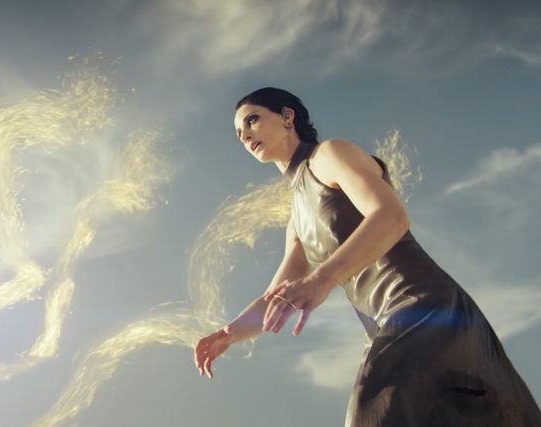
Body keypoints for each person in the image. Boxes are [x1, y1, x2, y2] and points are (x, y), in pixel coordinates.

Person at [193, 87, 541, 426]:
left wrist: (321, 279)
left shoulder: (330, 155)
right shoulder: (296, 218)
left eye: (252, 120)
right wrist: (229, 333)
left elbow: (391, 216)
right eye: (239, 133)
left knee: (371, 412)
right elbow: (276, 298)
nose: (244, 135)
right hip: (383, 328)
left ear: (287, 116)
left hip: (422, 306)